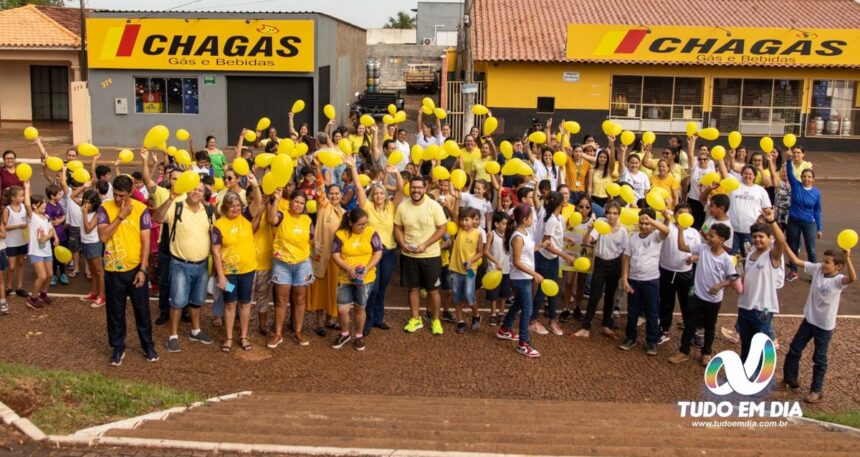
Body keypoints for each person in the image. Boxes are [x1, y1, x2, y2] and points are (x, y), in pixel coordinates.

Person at [776, 244, 855, 403]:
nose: (823, 264)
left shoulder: (838, 281)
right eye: (823, 260)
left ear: (838, 267)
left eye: (827, 262)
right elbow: (797, 261)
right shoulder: (817, 269)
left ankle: (816, 390)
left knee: (819, 358)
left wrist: (848, 258)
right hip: (809, 320)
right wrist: (784, 245)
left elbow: (853, 278)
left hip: (824, 326)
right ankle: (790, 379)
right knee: (794, 349)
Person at [97, 175, 158, 366]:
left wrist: (143, 269)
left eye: (122, 195)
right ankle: (117, 347)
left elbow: (146, 241)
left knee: (142, 310)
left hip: (135, 270)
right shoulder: (105, 208)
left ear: (130, 192)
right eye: (115, 194)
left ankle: (147, 345)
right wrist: (120, 216)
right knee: (115, 311)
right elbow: (103, 236)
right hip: (113, 269)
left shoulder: (141, 210)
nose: (118, 199)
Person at [155, 180, 215, 353]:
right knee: (178, 301)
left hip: (202, 264)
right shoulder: (176, 206)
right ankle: (173, 336)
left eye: (200, 190)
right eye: (193, 189)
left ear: (204, 194)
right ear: (187, 191)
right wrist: (169, 199)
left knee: (197, 301)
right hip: (180, 263)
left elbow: (214, 235)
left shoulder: (209, 211)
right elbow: (158, 218)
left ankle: (195, 330)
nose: (196, 192)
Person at [669, 223, 737, 366]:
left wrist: (720, 285)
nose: (708, 238)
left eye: (712, 236)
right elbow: (682, 247)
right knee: (690, 324)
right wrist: (681, 231)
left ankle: (706, 353)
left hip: (713, 300)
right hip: (697, 295)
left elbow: (733, 279)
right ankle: (684, 351)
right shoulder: (702, 248)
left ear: (722, 240)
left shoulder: (726, 259)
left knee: (709, 327)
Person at [348, 156, 402, 334]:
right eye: (376, 193)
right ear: (373, 195)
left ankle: (379, 318)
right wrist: (353, 168)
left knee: (382, 287)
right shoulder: (367, 207)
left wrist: (397, 174)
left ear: (386, 196)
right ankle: (367, 322)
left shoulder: (391, 208)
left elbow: (401, 190)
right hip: (372, 254)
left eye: (382, 193)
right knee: (373, 287)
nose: (379, 195)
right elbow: (358, 187)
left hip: (389, 252)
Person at [393, 176, 447, 335]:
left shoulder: (434, 206)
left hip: (431, 255)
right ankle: (415, 319)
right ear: (409, 189)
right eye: (413, 187)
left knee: (433, 291)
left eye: (419, 187)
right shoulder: (402, 207)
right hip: (409, 255)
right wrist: (402, 244)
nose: (416, 190)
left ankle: (436, 320)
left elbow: (442, 228)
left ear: (425, 189)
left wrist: (425, 245)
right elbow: (397, 227)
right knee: (413, 289)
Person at [496, 203, 545, 357]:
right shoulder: (517, 237)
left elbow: (528, 251)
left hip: (525, 276)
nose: (533, 220)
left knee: (518, 303)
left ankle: (505, 329)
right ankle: (523, 344)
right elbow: (517, 261)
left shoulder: (525, 232)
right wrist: (534, 273)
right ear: (525, 219)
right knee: (527, 309)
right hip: (521, 277)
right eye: (531, 217)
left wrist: (542, 245)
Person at [619, 208, 669, 355]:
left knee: (652, 312)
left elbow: (666, 230)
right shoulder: (633, 238)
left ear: (653, 224)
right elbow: (626, 258)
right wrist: (624, 278)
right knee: (632, 311)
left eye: (647, 223)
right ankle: (630, 337)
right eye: (641, 223)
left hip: (651, 281)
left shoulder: (656, 237)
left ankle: (652, 341)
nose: (644, 226)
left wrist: (651, 220)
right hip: (634, 280)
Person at [331, 207, 383, 351]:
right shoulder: (340, 235)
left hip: (365, 279)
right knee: (342, 309)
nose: (364, 226)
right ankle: (345, 333)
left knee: (360, 308)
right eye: (360, 224)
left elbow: (378, 253)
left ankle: (359, 336)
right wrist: (349, 269)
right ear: (350, 223)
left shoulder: (371, 232)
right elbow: (335, 255)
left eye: (365, 223)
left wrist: (366, 269)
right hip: (345, 278)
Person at [736, 211, 785, 363]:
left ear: (770, 239)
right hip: (745, 306)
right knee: (746, 343)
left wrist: (771, 221)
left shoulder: (772, 256)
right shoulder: (750, 254)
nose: (757, 239)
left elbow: (781, 241)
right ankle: (744, 372)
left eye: (761, 236)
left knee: (761, 345)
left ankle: (761, 376)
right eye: (755, 236)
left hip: (762, 308)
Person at [268, 189, 314, 348]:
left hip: (302, 264)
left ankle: (298, 331)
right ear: (290, 202)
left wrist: (318, 248)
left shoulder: (307, 220)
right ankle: (278, 334)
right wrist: (276, 199)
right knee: (281, 300)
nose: (299, 205)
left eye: (302, 203)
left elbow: (311, 239)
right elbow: (271, 219)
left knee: (300, 299)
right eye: (296, 201)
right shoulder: (282, 215)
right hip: (282, 264)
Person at [575, 201, 627, 338]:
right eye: (609, 213)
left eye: (615, 213)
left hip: (615, 265)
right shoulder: (600, 224)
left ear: (619, 215)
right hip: (600, 263)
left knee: (610, 296)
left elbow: (624, 253)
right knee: (594, 295)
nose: (611, 216)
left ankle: (606, 325)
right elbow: (587, 242)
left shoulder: (622, 231)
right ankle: (586, 327)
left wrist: (623, 274)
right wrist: (589, 230)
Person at [307, 161, 345, 337]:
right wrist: (318, 168)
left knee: (335, 289)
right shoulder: (324, 207)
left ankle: (332, 318)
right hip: (321, 256)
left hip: (338, 259)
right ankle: (319, 322)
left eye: (337, 193)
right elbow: (319, 187)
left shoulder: (345, 214)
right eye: (332, 193)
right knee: (320, 289)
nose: (334, 196)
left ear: (341, 195)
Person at [532, 191, 574, 336]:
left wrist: (565, 240)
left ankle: (552, 321)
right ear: (561, 203)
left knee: (553, 291)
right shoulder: (551, 220)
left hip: (551, 259)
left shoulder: (556, 218)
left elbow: (554, 238)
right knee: (542, 291)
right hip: (544, 260)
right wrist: (565, 255)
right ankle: (533, 321)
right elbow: (546, 244)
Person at [657, 203, 699, 343]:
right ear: (674, 214)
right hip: (666, 271)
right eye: (679, 212)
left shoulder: (694, 233)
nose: (682, 216)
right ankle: (664, 329)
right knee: (666, 302)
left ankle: (690, 332)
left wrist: (693, 258)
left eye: (686, 213)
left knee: (688, 305)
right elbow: (661, 236)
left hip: (685, 274)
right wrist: (666, 219)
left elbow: (699, 253)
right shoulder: (668, 227)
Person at [784, 157, 822, 282]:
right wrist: (789, 160)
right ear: (801, 177)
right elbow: (789, 173)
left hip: (809, 223)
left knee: (811, 248)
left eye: (809, 177)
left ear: (813, 179)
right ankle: (793, 271)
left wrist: (819, 228)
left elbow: (817, 210)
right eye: (804, 176)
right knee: (793, 247)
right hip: (794, 221)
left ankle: (815, 273)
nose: (806, 179)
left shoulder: (816, 193)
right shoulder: (796, 186)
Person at [448, 207, 484, 334]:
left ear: (473, 220)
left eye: (467, 220)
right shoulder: (458, 230)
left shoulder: (477, 233)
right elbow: (454, 213)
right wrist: (457, 199)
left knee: (469, 296)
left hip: (470, 270)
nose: (464, 223)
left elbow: (480, 252)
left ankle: (476, 315)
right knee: (456, 296)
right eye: (462, 220)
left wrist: (471, 261)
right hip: (456, 270)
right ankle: (460, 321)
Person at [24, 183, 58, 310]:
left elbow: (51, 230)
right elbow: (27, 204)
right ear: (34, 206)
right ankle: (32, 298)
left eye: (44, 202)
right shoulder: (32, 217)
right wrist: (27, 188)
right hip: (35, 251)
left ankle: (43, 294)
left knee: (49, 274)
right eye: (41, 203)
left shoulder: (47, 217)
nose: (45, 205)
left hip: (47, 251)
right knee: (42, 276)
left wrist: (52, 237)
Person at [484, 210, 511, 326]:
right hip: (494, 271)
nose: (506, 226)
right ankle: (493, 314)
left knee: (504, 294)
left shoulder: (509, 235)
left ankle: (501, 313)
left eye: (507, 224)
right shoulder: (491, 234)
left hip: (506, 270)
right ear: (496, 224)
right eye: (504, 223)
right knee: (493, 294)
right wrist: (496, 262)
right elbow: (486, 251)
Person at [80, 188, 105, 308]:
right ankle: (94, 293)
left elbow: (88, 228)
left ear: (94, 202)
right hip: (85, 242)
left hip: (94, 243)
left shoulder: (97, 213)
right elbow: (72, 197)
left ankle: (102, 296)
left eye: (89, 202)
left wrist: (84, 214)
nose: (86, 205)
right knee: (92, 271)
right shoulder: (85, 210)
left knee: (99, 271)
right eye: (84, 201)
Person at [3, 185, 29, 298]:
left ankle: (19, 287)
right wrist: (19, 226)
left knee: (21, 264)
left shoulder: (24, 207)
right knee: (11, 266)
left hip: (23, 241)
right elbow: (4, 227)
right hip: (11, 242)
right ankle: (8, 286)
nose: (23, 197)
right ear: (13, 198)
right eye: (21, 196)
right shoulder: (7, 209)